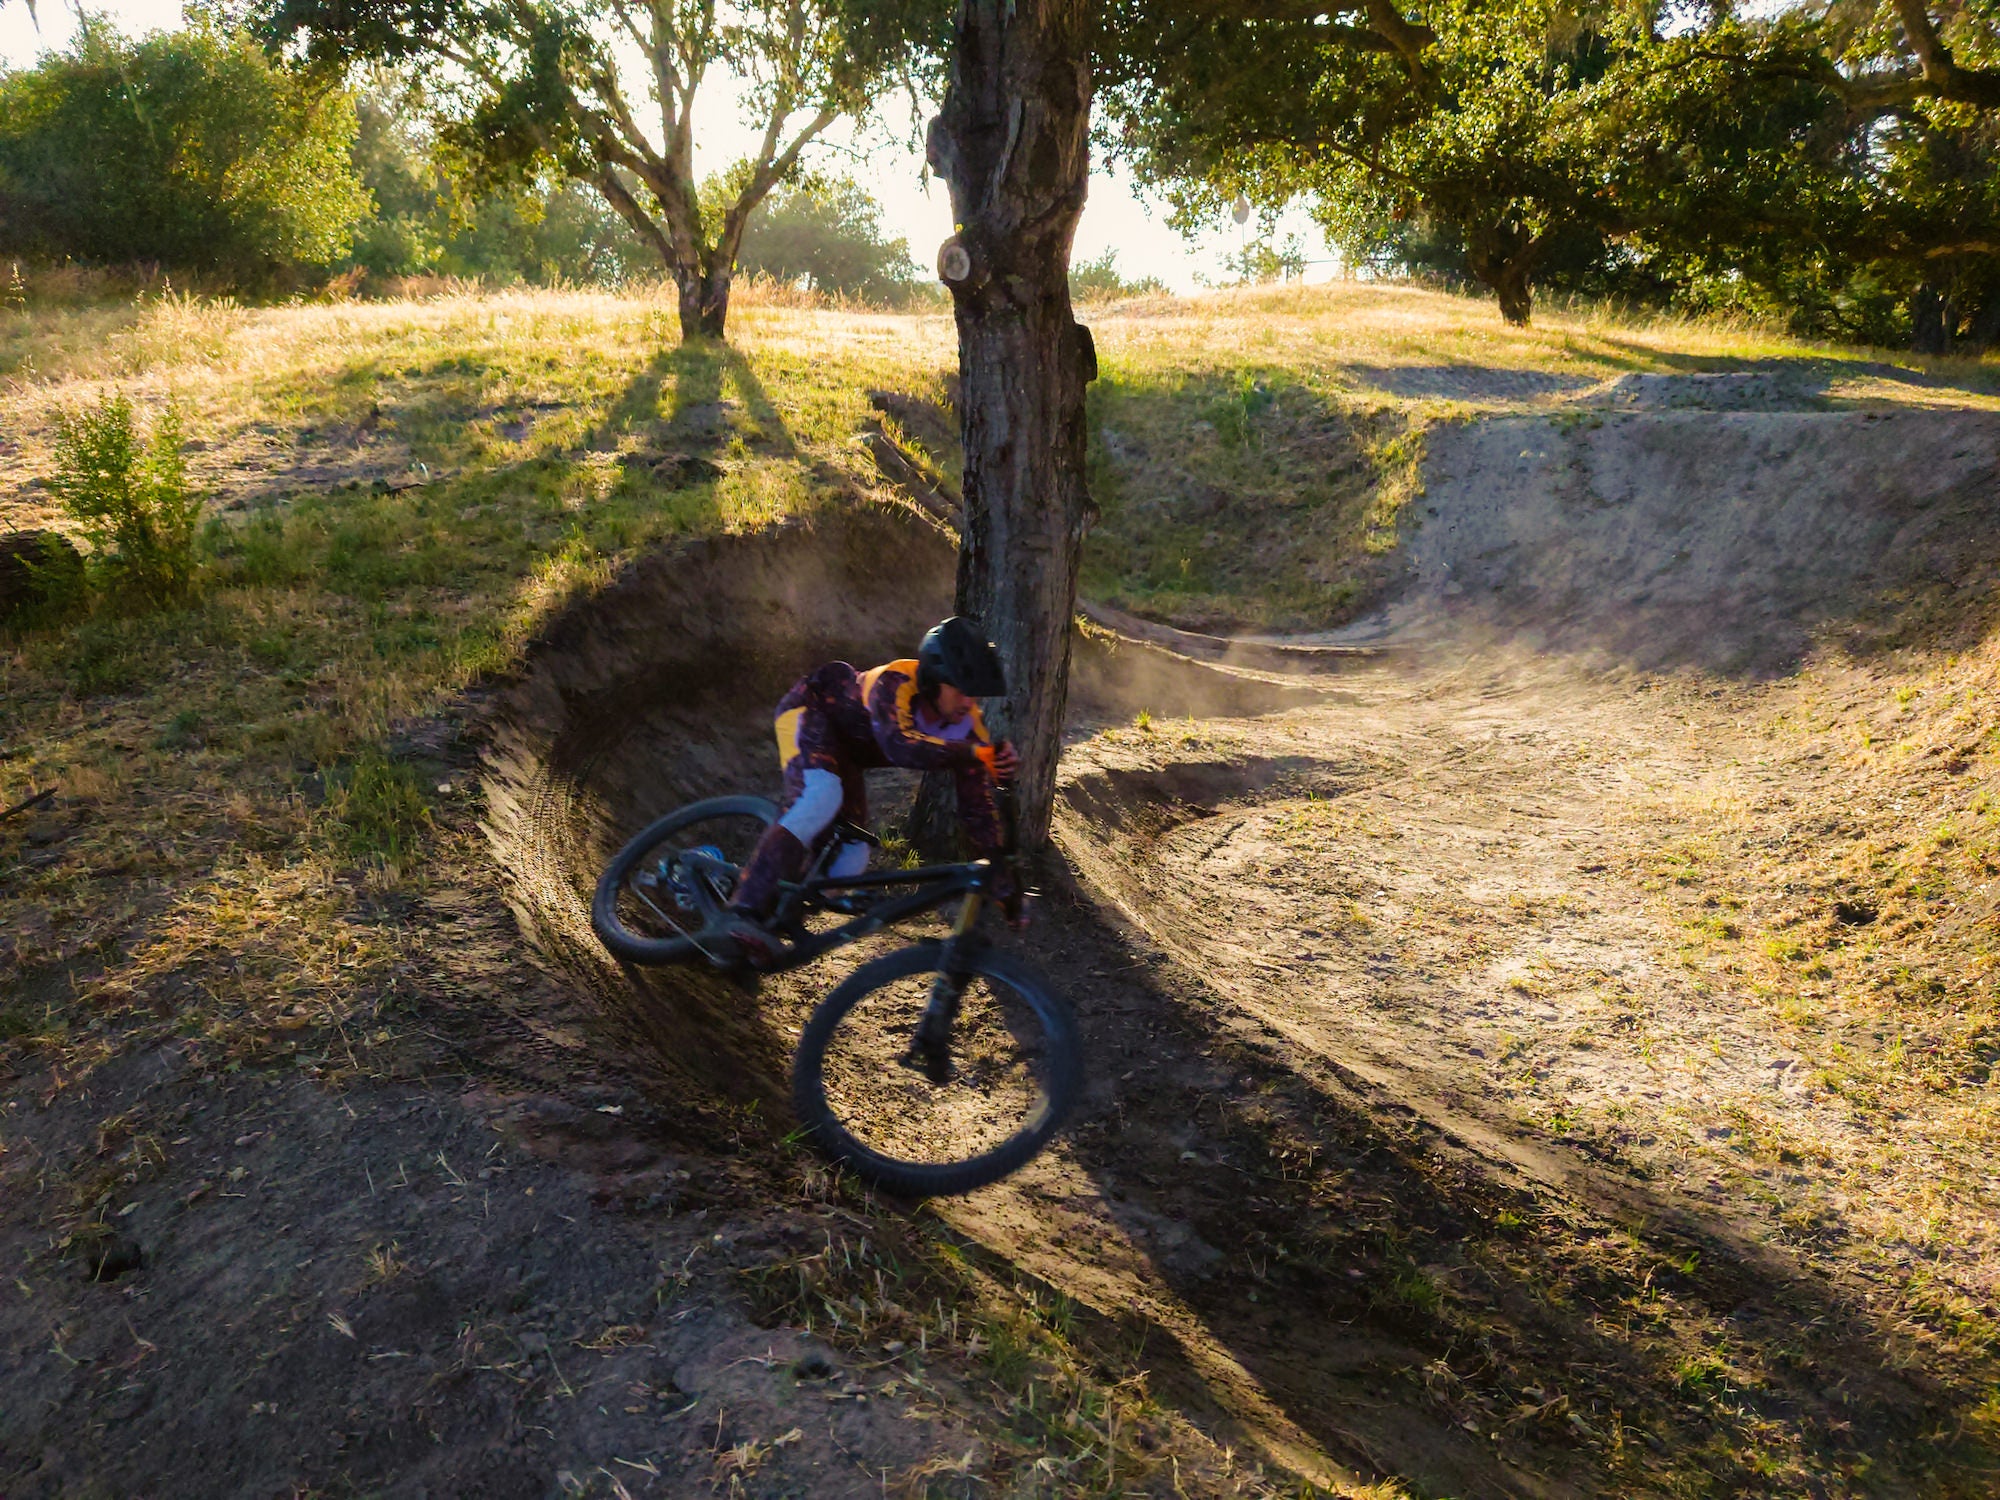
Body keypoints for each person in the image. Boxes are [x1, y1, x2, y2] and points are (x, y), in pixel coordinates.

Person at [716, 616, 1022, 965]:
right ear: (935, 679)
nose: (969, 701)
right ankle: (743, 910)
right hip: (808, 712)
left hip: (844, 757)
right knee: (821, 795)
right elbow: (899, 746)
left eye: (975, 692)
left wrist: (1005, 888)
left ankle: (764, 927)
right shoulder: (894, 682)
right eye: (960, 689)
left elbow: (978, 810)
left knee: (851, 857)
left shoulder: (968, 726)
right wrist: (972, 754)